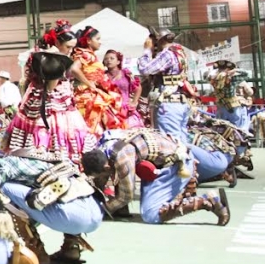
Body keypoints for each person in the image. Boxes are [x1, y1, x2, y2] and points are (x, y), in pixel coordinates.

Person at [138, 29, 233, 185]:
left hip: (169, 105)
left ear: (159, 40)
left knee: (173, 145)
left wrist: (147, 51)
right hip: (179, 103)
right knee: (181, 143)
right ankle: (188, 177)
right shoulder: (180, 52)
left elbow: (145, 69)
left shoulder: (168, 53)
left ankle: (206, 168)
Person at [83, 130, 228, 225]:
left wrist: (100, 210)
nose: (100, 180)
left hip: (175, 165)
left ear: (106, 167)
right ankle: (122, 210)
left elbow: (126, 196)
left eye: (101, 175)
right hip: (155, 163)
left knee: (151, 215)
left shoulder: (122, 158)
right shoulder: (103, 147)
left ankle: (207, 201)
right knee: (122, 176)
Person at [0, 149, 103, 264]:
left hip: (72, 218)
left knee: (2, 188)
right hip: (97, 214)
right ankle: (71, 248)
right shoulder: (52, 158)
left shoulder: (4, 163)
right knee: (59, 191)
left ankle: (37, 252)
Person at [2, 21, 88, 167]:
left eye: (73, 47)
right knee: (48, 127)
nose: (70, 51)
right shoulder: (50, 57)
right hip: (48, 99)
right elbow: (49, 84)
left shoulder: (48, 55)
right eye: (68, 47)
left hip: (55, 98)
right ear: (57, 42)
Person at [71, 26, 124, 146]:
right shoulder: (86, 54)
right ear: (89, 41)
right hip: (88, 98)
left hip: (93, 97)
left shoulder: (90, 55)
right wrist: (89, 83)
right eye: (98, 38)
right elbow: (74, 69)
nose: (100, 42)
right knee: (91, 130)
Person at [103, 50, 144, 129]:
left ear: (118, 61)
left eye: (112, 58)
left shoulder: (126, 74)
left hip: (126, 109)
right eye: (106, 59)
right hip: (109, 110)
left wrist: (134, 102)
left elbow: (138, 87)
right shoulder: (102, 76)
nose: (108, 60)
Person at [212, 60, 251, 137]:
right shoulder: (233, 79)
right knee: (237, 130)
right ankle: (237, 146)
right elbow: (247, 74)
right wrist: (235, 70)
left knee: (221, 130)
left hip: (221, 107)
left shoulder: (213, 79)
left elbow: (206, 76)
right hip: (233, 107)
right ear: (228, 70)